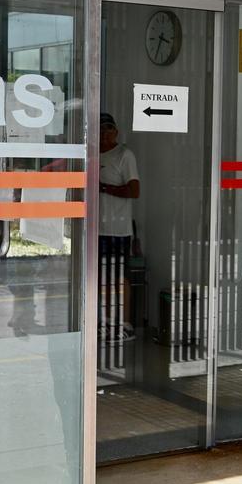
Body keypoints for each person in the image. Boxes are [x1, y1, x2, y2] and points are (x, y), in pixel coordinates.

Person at [98, 112, 139, 342]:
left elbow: (134, 190)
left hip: (118, 229)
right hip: (97, 228)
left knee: (120, 277)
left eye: (108, 128)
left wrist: (104, 188)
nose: (105, 133)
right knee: (101, 277)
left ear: (116, 131)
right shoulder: (92, 154)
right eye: (101, 129)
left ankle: (125, 323)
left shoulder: (125, 155)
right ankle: (106, 322)